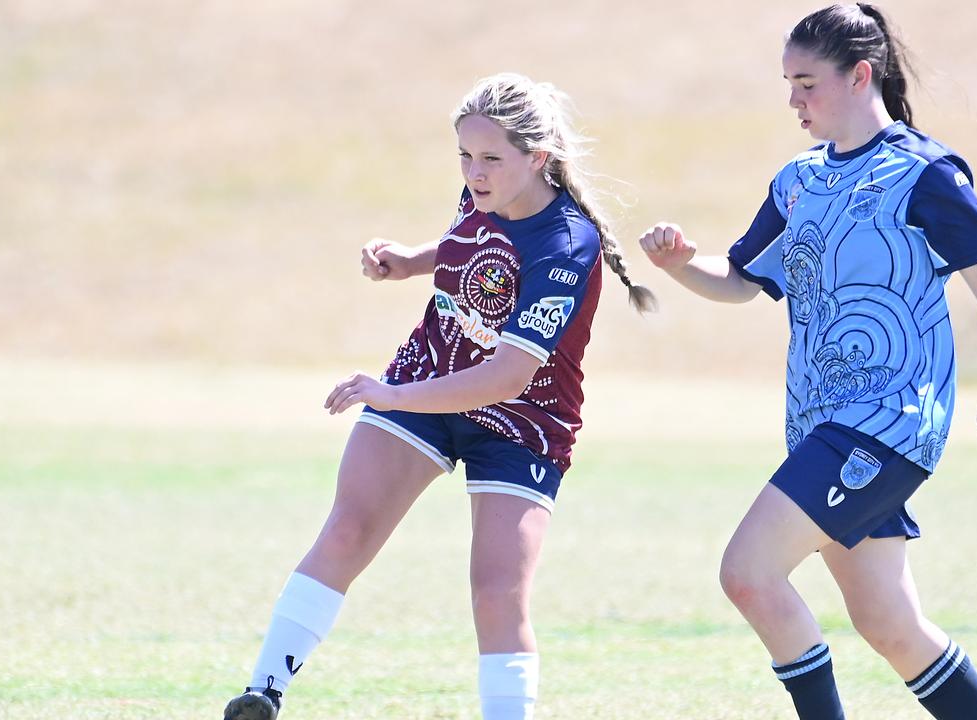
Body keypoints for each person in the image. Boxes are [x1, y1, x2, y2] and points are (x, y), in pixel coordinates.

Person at [222, 72, 654, 720]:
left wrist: (392, 395)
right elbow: (472, 245)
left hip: (520, 421)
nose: (473, 173)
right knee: (347, 529)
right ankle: (263, 693)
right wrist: (411, 260)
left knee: (497, 592)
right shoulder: (485, 190)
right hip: (432, 373)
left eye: (489, 159)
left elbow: (509, 376)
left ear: (537, 158)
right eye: (464, 155)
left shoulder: (566, 245)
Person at [639, 4, 977, 719]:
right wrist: (681, 264)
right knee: (890, 626)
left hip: (886, 424)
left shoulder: (924, 174)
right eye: (788, 82)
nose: (793, 100)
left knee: (748, 574)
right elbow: (741, 281)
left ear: (861, 76)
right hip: (823, 428)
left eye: (807, 82)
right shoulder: (798, 182)